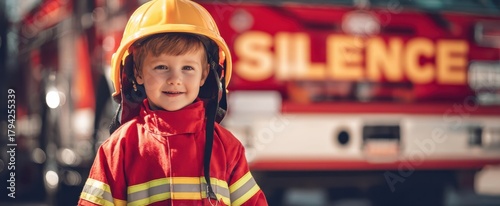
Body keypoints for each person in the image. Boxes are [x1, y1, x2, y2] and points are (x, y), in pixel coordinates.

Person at [78, 0, 268, 205]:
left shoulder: (227, 147)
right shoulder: (119, 148)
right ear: (137, 72)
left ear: (205, 75)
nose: (174, 79)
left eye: (187, 68)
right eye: (161, 67)